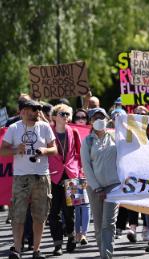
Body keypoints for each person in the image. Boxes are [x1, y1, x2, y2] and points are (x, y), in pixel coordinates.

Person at [0, 99, 58, 259]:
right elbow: (2, 151)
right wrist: (15, 149)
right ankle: (16, 249)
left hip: (42, 176)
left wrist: (44, 150)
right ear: (22, 112)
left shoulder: (45, 127)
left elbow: (55, 150)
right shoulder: (14, 128)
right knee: (18, 215)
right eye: (33, 110)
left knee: (40, 214)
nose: (36, 113)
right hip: (21, 177)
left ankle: (36, 250)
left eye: (38, 110)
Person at [81, 108, 120, 259]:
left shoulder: (115, 136)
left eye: (102, 117)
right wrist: (97, 188)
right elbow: (86, 167)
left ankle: (106, 256)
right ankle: (103, 253)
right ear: (90, 121)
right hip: (94, 188)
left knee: (108, 224)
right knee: (98, 226)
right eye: (95, 117)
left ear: (107, 119)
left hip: (113, 187)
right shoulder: (88, 141)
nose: (99, 120)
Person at [48, 104, 83, 255]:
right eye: (62, 114)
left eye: (68, 114)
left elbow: (81, 155)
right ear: (54, 117)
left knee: (71, 211)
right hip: (53, 176)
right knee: (53, 212)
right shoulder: (48, 131)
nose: (66, 117)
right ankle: (57, 244)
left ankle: (70, 237)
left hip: (73, 175)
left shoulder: (74, 131)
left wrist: (81, 174)